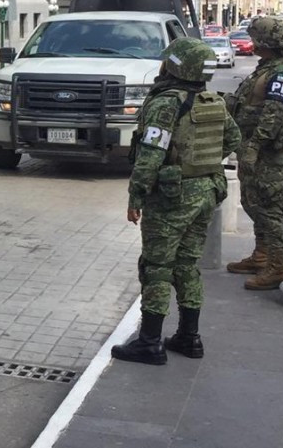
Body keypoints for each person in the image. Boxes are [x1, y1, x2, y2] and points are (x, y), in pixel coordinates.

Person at [112, 38, 241, 365]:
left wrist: (136, 195)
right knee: (186, 264)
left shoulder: (166, 103)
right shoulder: (212, 100)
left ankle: (150, 343)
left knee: (156, 266)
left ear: (175, 65)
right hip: (207, 193)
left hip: (172, 197)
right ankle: (189, 337)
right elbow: (235, 139)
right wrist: (201, 165)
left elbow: (150, 155)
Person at [225, 16, 283, 289]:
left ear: (268, 42)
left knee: (269, 208)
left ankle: (276, 266)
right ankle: (261, 256)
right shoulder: (267, 69)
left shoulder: (282, 74)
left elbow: (273, 115)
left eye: (257, 39)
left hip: (265, 153)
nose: (253, 43)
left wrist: (255, 147)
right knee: (252, 202)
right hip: (251, 148)